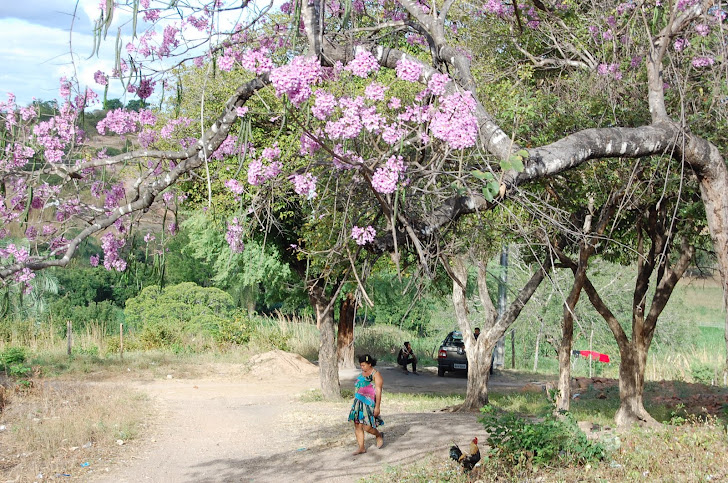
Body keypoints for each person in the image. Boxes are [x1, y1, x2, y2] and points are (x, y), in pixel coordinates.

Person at [348, 354, 384, 455]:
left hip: (369, 404)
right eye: (361, 365)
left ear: (370, 364)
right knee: (357, 425)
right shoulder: (363, 372)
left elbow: (378, 391)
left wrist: (377, 407)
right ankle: (361, 447)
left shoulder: (376, 375)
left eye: (364, 365)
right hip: (358, 402)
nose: (362, 367)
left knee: (367, 426)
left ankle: (378, 435)